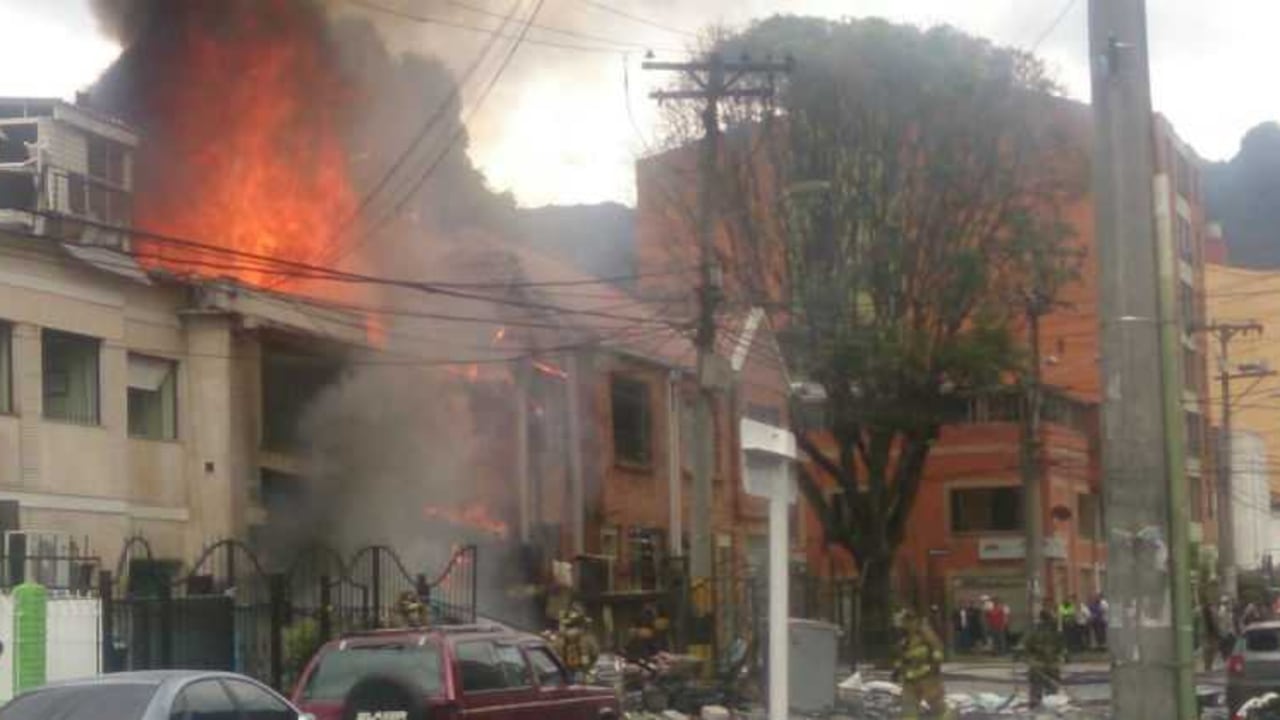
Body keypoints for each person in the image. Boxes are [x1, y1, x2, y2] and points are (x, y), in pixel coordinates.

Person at [893, 609, 954, 720]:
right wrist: (897, 670)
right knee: (908, 708)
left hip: (927, 676)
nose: (906, 625)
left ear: (915, 621)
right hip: (910, 678)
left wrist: (935, 665)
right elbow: (900, 656)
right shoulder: (904, 638)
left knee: (937, 706)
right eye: (904, 622)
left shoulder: (925, 634)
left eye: (908, 621)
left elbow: (937, 649)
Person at [1023, 610, 1066, 709]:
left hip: (1043, 664)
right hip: (1046, 664)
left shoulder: (1035, 631)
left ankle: (1038, 705)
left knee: (1041, 688)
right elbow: (1062, 648)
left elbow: (1025, 647)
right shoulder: (1054, 632)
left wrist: (1029, 659)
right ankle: (1042, 705)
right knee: (1047, 689)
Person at [1218, 596, 1239, 664]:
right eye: (1227, 603)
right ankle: (1227, 661)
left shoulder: (1227, 611)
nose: (1229, 604)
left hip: (1228, 633)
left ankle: (1228, 660)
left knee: (1230, 648)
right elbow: (1226, 622)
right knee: (1228, 648)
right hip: (1225, 633)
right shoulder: (1223, 610)